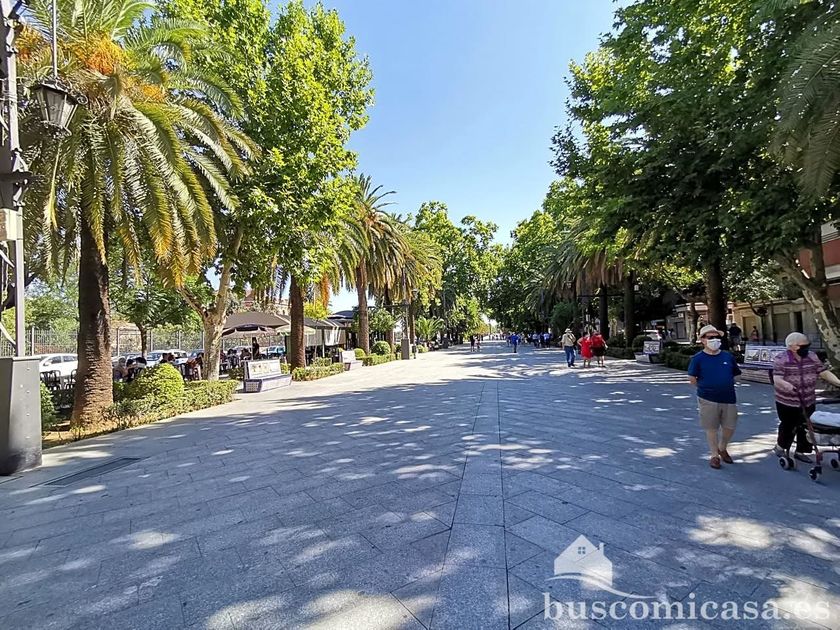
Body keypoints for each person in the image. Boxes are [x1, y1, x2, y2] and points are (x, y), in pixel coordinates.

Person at [771, 332, 840, 463]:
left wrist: (838, 382)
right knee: (789, 425)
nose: (806, 348)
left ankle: (801, 451)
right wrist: (787, 385)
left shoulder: (812, 356)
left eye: (807, 345)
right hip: (787, 401)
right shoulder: (781, 359)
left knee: (807, 426)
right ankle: (781, 447)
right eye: (803, 346)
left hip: (808, 399)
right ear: (792, 346)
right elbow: (777, 379)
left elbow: (823, 372)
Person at [688, 325, 741, 469]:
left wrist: (726, 383)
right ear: (703, 340)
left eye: (717, 337)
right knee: (711, 428)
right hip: (708, 398)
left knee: (730, 426)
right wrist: (705, 387)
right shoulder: (698, 358)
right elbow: (692, 378)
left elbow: (736, 374)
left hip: (729, 397)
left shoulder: (727, 356)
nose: (715, 340)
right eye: (710, 337)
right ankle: (714, 455)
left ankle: (722, 447)